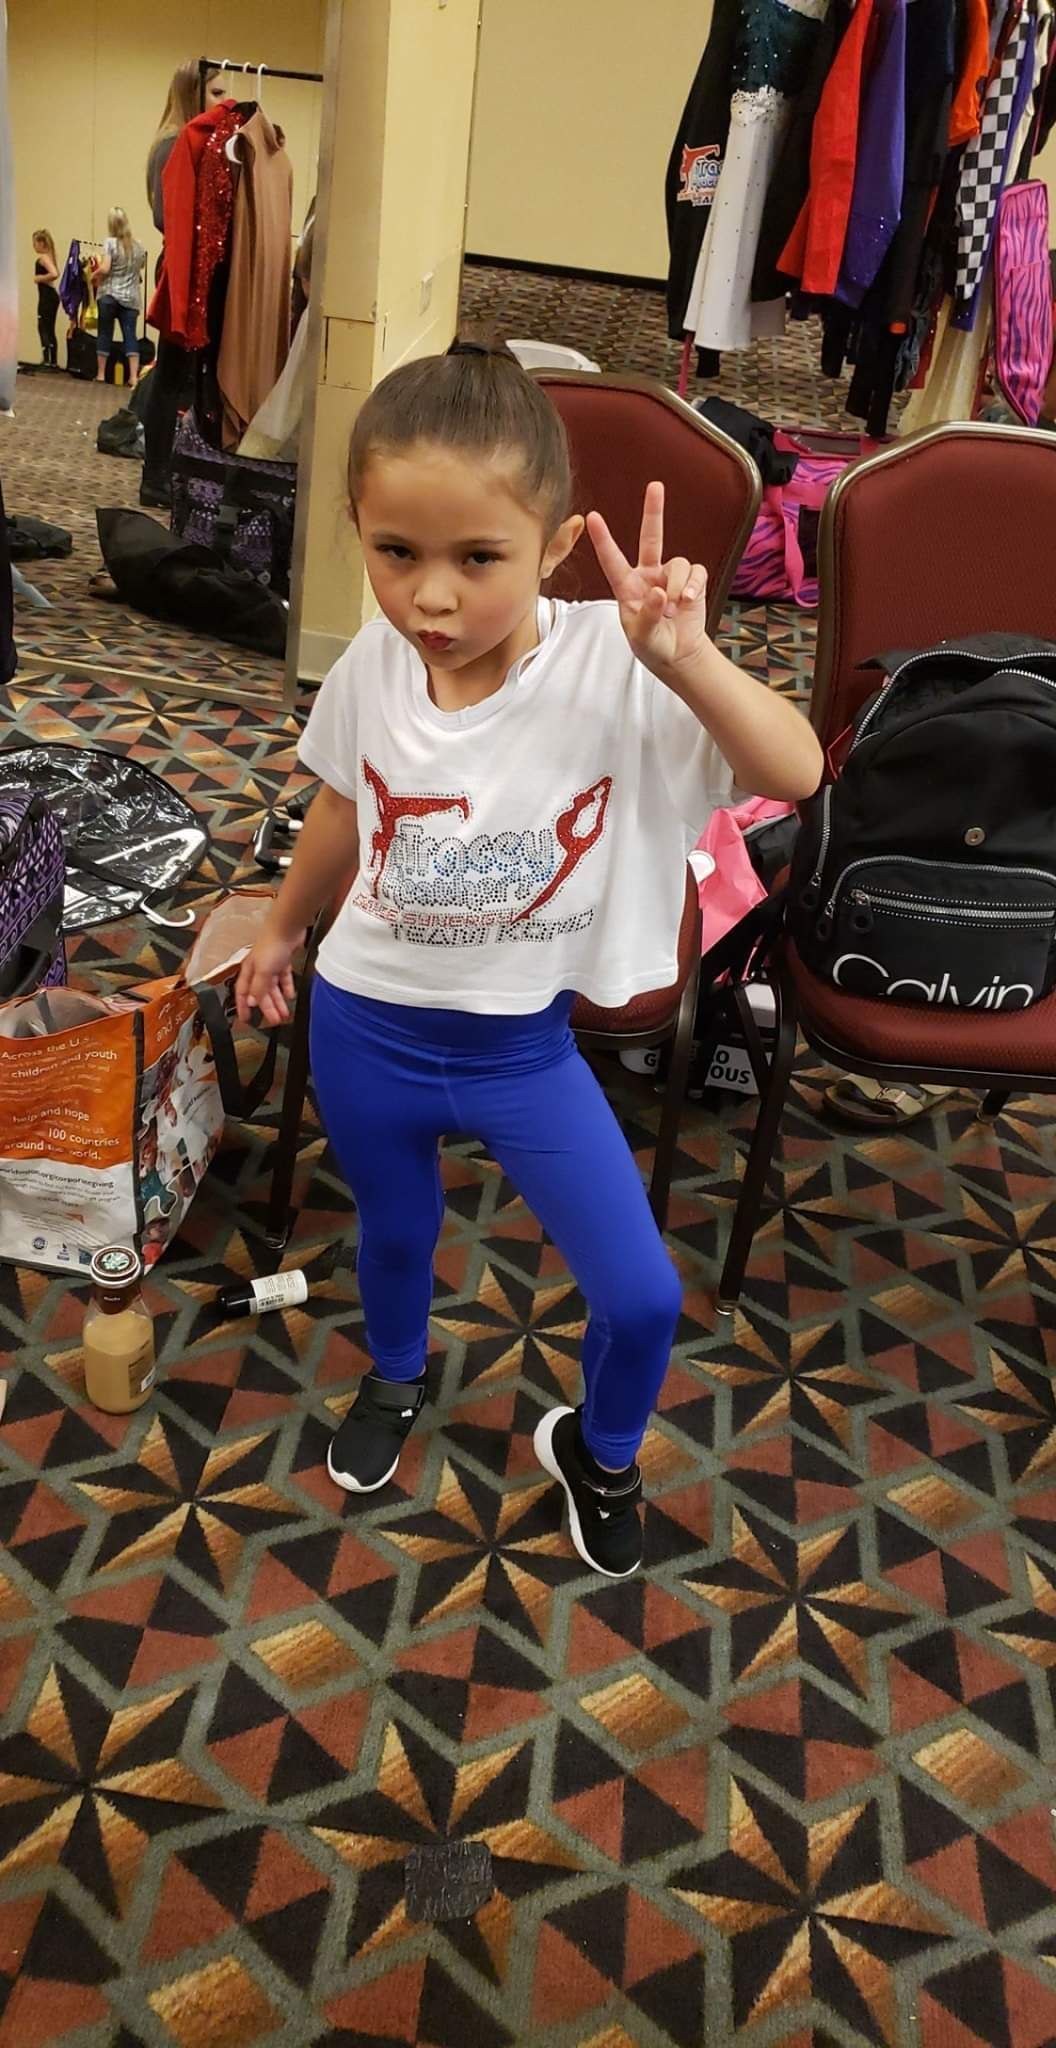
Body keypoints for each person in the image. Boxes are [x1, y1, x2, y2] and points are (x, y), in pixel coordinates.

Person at [235, 338, 823, 1579]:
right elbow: (345, 803)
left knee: (646, 1295)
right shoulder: (372, 664)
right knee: (394, 1235)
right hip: (368, 1025)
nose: (429, 599)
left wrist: (690, 660)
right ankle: (397, 1375)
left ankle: (596, 1448)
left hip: (520, 1048)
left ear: (554, 545)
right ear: (356, 527)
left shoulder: (620, 663)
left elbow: (796, 771)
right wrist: (285, 925)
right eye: (395, 553)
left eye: (476, 559)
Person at [141, 60, 224, 507]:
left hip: (194, 269)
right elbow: (163, 216)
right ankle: (155, 476)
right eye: (215, 94)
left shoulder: (198, 142)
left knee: (183, 378)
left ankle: (168, 474)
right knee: (170, 377)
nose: (222, 103)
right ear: (193, 94)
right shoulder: (172, 143)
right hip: (180, 270)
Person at [92, 208, 146, 389]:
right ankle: (133, 378)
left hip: (109, 295)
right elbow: (140, 270)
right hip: (131, 298)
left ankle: (100, 374)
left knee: (105, 333)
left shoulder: (110, 243)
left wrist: (94, 274)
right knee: (130, 336)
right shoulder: (139, 246)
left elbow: (106, 268)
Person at [32, 230, 59, 368]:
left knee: (43, 326)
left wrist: (39, 278)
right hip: (50, 296)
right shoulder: (50, 256)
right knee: (49, 327)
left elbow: (55, 273)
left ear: (41, 243)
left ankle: (48, 360)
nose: (34, 246)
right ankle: (51, 360)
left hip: (47, 296)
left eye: (35, 243)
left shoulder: (43, 258)